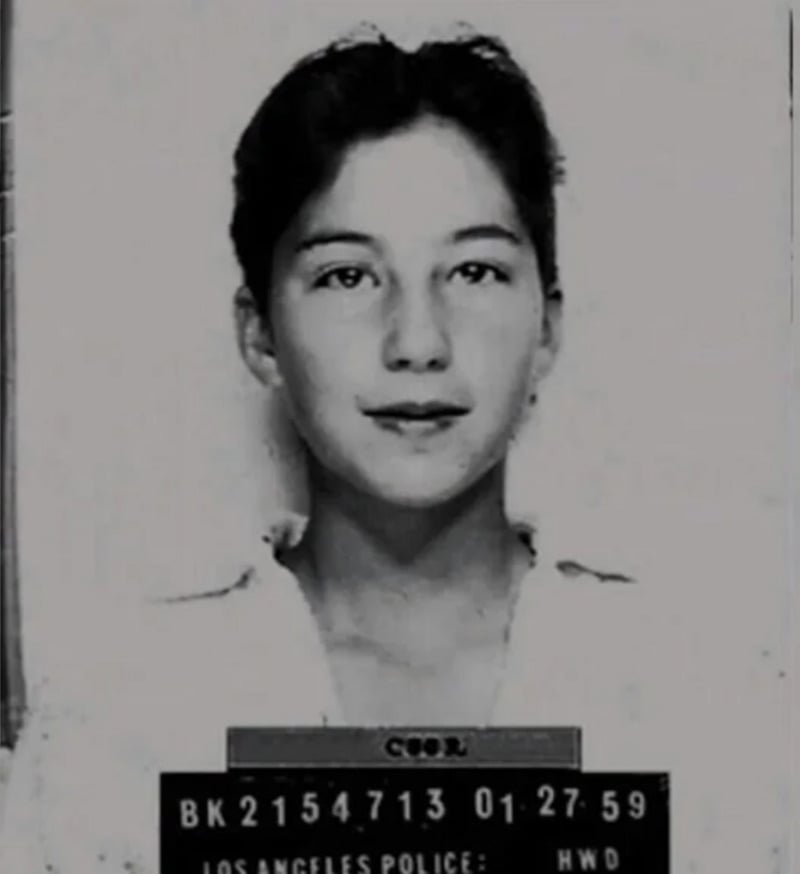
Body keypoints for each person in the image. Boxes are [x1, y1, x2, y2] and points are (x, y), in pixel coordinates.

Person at [0, 27, 659, 874]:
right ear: (261, 333)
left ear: (547, 328)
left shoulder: (697, 698)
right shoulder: (122, 722)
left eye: (475, 272)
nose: (417, 341)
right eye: (347, 276)